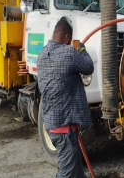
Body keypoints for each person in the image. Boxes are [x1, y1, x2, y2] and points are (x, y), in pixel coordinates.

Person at [37, 18, 94, 178]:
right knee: (67, 174)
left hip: (51, 124)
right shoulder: (70, 53)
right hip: (64, 129)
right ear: (67, 36)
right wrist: (82, 49)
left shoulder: (42, 53)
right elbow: (89, 67)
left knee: (76, 172)